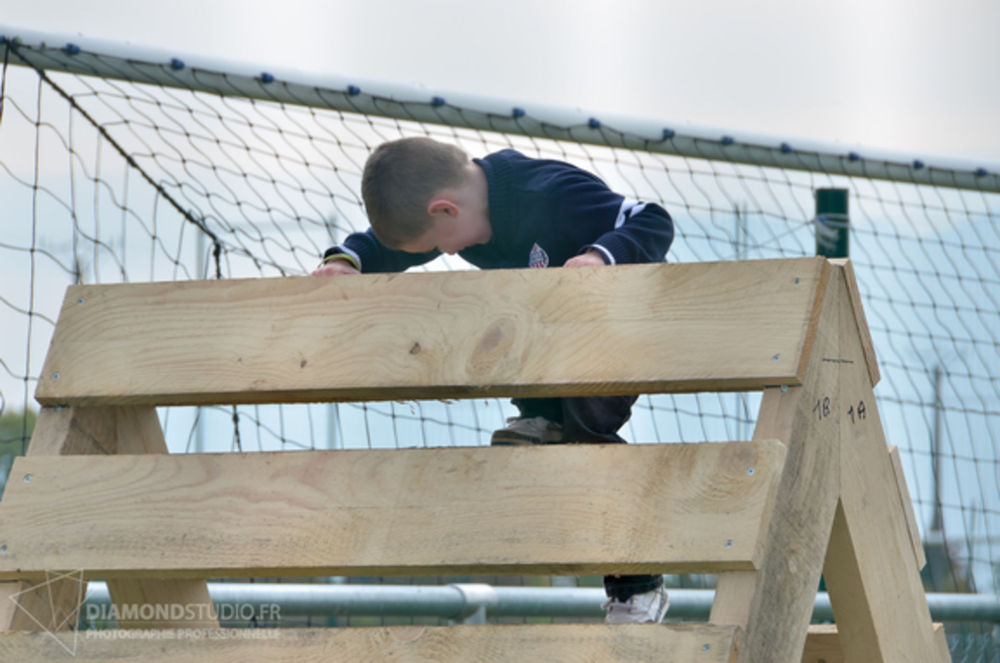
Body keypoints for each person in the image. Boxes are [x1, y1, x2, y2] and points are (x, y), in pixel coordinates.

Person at [313, 136, 674, 624]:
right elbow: (394, 245)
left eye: (441, 244)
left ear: (445, 208)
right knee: (509, 325)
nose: (446, 252)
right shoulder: (461, 212)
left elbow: (651, 218)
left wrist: (598, 258)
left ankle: (639, 590)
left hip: (622, 321)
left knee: (587, 437)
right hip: (549, 339)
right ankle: (542, 420)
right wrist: (345, 261)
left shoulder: (550, 193)